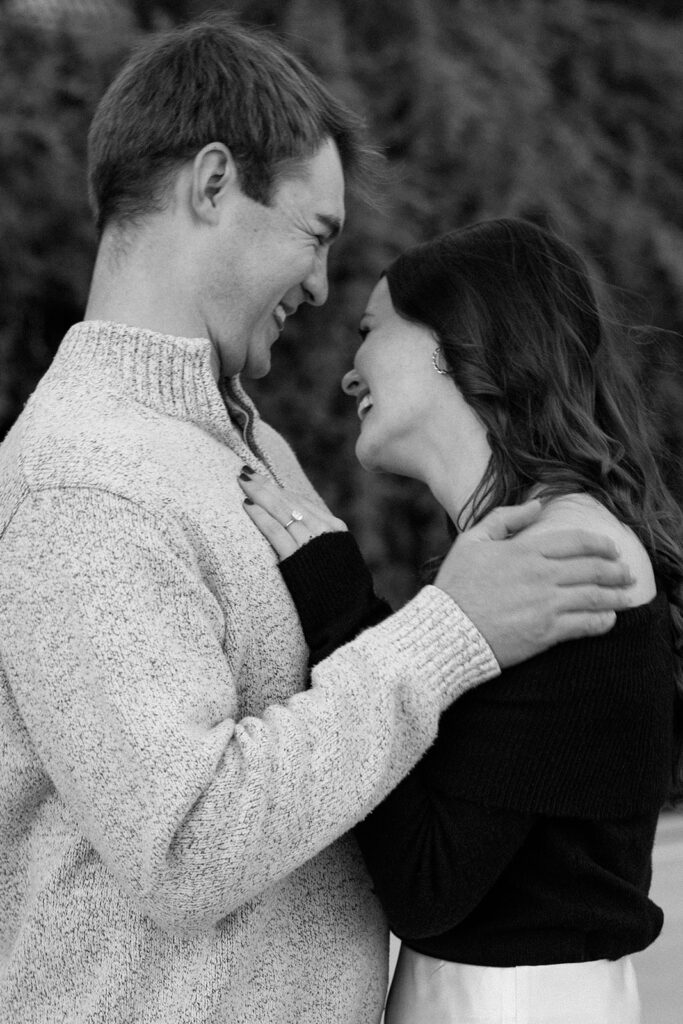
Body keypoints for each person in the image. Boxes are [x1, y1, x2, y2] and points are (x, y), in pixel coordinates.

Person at [0, 16, 636, 1024]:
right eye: (317, 234)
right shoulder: (87, 479)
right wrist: (446, 633)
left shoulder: (220, 453)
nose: (323, 286)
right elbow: (184, 841)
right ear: (212, 185)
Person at [241, 218, 682, 1024]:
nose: (347, 375)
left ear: (452, 340)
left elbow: (427, 882)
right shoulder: (522, 547)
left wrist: (339, 604)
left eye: (370, 331)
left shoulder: (562, 552)